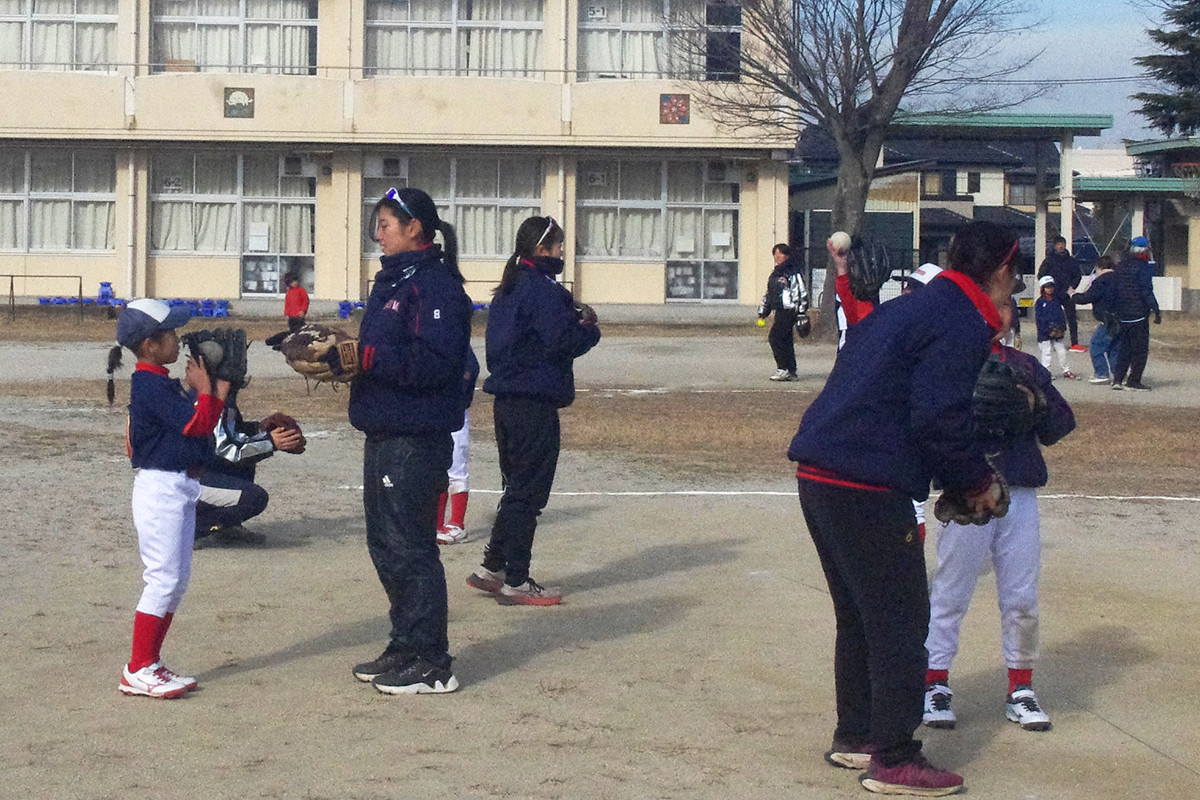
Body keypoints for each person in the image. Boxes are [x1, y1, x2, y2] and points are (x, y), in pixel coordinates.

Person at [789, 221, 1018, 796]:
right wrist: (975, 481)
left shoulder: (913, 306)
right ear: (998, 272)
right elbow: (938, 416)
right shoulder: (959, 318)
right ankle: (894, 757)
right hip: (867, 482)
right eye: (1012, 272)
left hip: (823, 472)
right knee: (899, 623)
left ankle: (858, 734)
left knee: (861, 618)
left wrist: (952, 477)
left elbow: (894, 391)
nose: (1012, 285)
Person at [923, 309, 1076, 734]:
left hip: (1019, 490)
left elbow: (1062, 423)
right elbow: (929, 425)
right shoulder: (950, 364)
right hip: (965, 493)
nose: (998, 318)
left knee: (1022, 597)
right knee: (951, 591)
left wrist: (1036, 402)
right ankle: (934, 683)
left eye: (1005, 310)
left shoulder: (1024, 366)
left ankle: (1021, 687)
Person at [348, 187, 474, 695]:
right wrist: (346, 358)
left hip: (414, 436)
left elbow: (438, 363)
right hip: (384, 430)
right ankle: (405, 643)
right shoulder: (393, 282)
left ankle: (432, 661)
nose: (378, 234)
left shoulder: (434, 285)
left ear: (415, 228)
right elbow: (383, 352)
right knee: (385, 544)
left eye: (385, 224)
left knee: (412, 547)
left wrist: (370, 358)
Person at [467, 215, 601, 606]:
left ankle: (492, 566)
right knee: (529, 492)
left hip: (509, 400)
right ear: (541, 249)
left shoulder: (509, 288)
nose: (561, 252)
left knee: (516, 487)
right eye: (557, 246)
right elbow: (561, 339)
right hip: (532, 401)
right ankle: (517, 579)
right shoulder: (541, 289)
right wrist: (588, 328)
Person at [109, 298, 230, 698]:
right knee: (161, 580)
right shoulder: (148, 385)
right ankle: (137, 667)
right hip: (159, 488)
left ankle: (150, 662)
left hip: (176, 487)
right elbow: (196, 423)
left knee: (175, 582)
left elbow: (205, 425)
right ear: (149, 345)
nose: (177, 341)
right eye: (171, 335)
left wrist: (218, 389)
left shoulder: (160, 382)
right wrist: (203, 389)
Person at [194, 391, 307, 547]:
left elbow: (228, 435)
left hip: (194, 472)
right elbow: (225, 450)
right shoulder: (211, 396)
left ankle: (227, 526)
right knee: (254, 498)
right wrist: (270, 442)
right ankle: (194, 529)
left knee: (247, 456)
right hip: (183, 480)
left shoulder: (220, 394)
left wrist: (259, 429)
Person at [435, 346, 481, 545]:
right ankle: (435, 525)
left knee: (455, 467)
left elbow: (472, 368)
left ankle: (456, 524)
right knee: (434, 469)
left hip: (453, 411)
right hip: (430, 411)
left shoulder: (455, 335)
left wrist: (456, 396)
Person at [1111, 236, 1161, 391]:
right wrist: (1156, 310)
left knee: (1124, 347)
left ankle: (1118, 379)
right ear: (1145, 250)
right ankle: (1134, 380)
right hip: (1138, 314)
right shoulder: (1143, 267)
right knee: (1140, 349)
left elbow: (1114, 289)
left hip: (1122, 314)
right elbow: (1146, 291)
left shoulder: (1120, 266)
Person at [1069, 254, 1121, 385]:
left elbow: (1087, 297)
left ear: (1099, 267)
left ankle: (1102, 373)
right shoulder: (1120, 280)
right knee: (1114, 348)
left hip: (1107, 320)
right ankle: (1118, 374)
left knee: (1096, 346)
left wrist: (1073, 295)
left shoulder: (1101, 281)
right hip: (1121, 319)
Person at [759, 243, 807, 381]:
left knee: (775, 338)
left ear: (787, 255)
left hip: (790, 310)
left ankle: (782, 368)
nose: (777, 256)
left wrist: (801, 314)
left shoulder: (793, 272)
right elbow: (771, 294)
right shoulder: (775, 274)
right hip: (779, 310)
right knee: (786, 340)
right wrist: (764, 311)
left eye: (781, 253)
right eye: (775, 253)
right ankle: (791, 371)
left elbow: (801, 292)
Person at [1037, 236, 1085, 351]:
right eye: (1058, 244)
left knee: (1072, 318)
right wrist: (1048, 287)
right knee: (1053, 317)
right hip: (1053, 294)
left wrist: (1072, 287)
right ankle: (1052, 340)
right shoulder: (1049, 260)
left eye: (1062, 243)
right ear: (1054, 246)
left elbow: (1077, 275)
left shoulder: (1071, 260)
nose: (1060, 246)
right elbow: (1041, 275)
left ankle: (1074, 343)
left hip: (1067, 294)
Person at [1034, 276, 1076, 380]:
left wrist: (1062, 327)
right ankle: (1046, 372)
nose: (1050, 289)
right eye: (1047, 287)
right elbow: (1039, 319)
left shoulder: (1057, 300)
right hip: (1044, 333)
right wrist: (1046, 330)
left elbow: (1061, 315)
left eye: (1051, 286)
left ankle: (1066, 370)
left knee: (1061, 351)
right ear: (1042, 288)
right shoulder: (1040, 302)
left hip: (1057, 331)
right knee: (1046, 352)